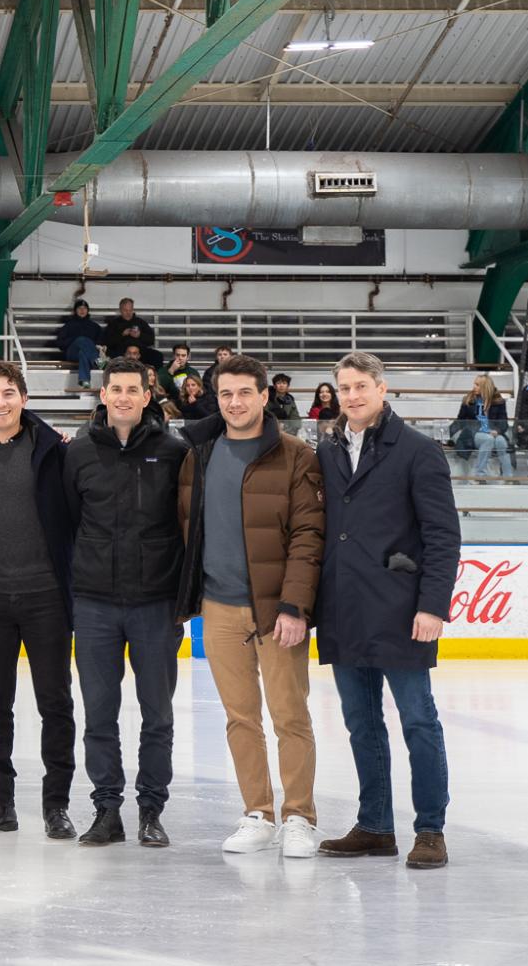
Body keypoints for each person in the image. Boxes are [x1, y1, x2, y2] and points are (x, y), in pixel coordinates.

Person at [315, 352, 460, 869]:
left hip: (401, 609)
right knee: (361, 723)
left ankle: (430, 830)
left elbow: (443, 536)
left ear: (382, 388)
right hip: (343, 606)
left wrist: (433, 606)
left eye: (361, 386)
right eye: (344, 388)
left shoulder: (418, 451)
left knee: (419, 720)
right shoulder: (328, 448)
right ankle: (375, 825)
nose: (352, 396)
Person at [178, 353, 325, 859]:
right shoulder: (198, 452)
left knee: (290, 716)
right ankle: (258, 813)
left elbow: (308, 536)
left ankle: (300, 816)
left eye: (245, 392)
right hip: (218, 608)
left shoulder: (296, 455)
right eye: (226, 394)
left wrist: (294, 606)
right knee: (240, 717)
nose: (235, 402)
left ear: (265, 396)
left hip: (276, 610)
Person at [62, 358, 189, 850]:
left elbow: (185, 524)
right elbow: (70, 520)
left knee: (157, 713)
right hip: (94, 603)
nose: (122, 397)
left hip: (155, 603)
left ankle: (152, 809)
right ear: (103, 395)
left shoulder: (174, 450)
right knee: (99, 712)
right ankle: (107, 809)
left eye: (131, 389)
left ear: (146, 395)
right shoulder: (80, 451)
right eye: (114, 388)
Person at [0, 360, 76, 839]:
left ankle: (56, 805)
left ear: (23, 398)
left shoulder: (53, 450)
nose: (0, 403)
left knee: (55, 703)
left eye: (8, 394)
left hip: (46, 596)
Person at [453, 374, 513, 479]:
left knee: (501, 441)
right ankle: (480, 475)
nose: (474, 387)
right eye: (474, 384)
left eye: (477, 385)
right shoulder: (468, 400)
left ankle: (508, 477)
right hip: (473, 433)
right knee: (488, 439)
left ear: (485, 387)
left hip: (492, 432)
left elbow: (503, 423)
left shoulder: (498, 402)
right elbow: (460, 420)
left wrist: (497, 431)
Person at [54, 300, 104, 390]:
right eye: (79, 308)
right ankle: (97, 361)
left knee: (83, 353)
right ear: (75, 310)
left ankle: (85, 381)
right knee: (81, 339)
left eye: (84, 308)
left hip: (86, 355)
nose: (82, 310)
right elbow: (59, 343)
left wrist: (95, 346)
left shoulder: (95, 326)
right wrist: (75, 340)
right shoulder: (69, 325)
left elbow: (101, 342)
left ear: (88, 310)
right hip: (72, 354)